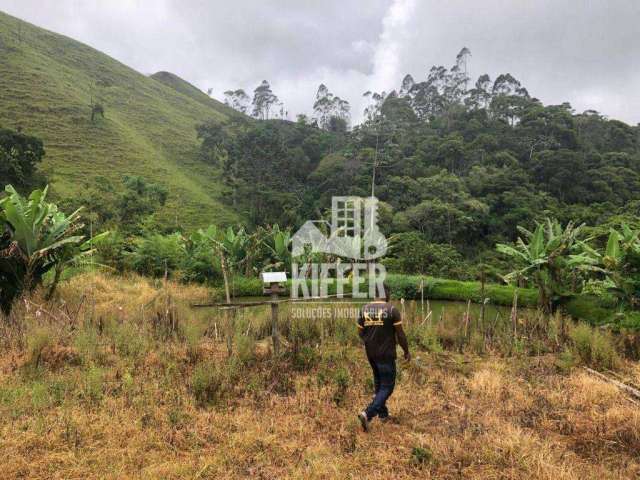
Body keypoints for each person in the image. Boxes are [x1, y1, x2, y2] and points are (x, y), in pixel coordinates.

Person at [356, 283, 410, 431]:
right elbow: (400, 335)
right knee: (388, 386)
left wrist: (370, 342)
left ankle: (383, 415)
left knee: (379, 383)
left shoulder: (364, 309)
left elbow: (360, 333)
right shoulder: (392, 310)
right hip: (386, 355)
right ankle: (368, 413)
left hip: (371, 354)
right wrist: (406, 351)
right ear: (386, 294)